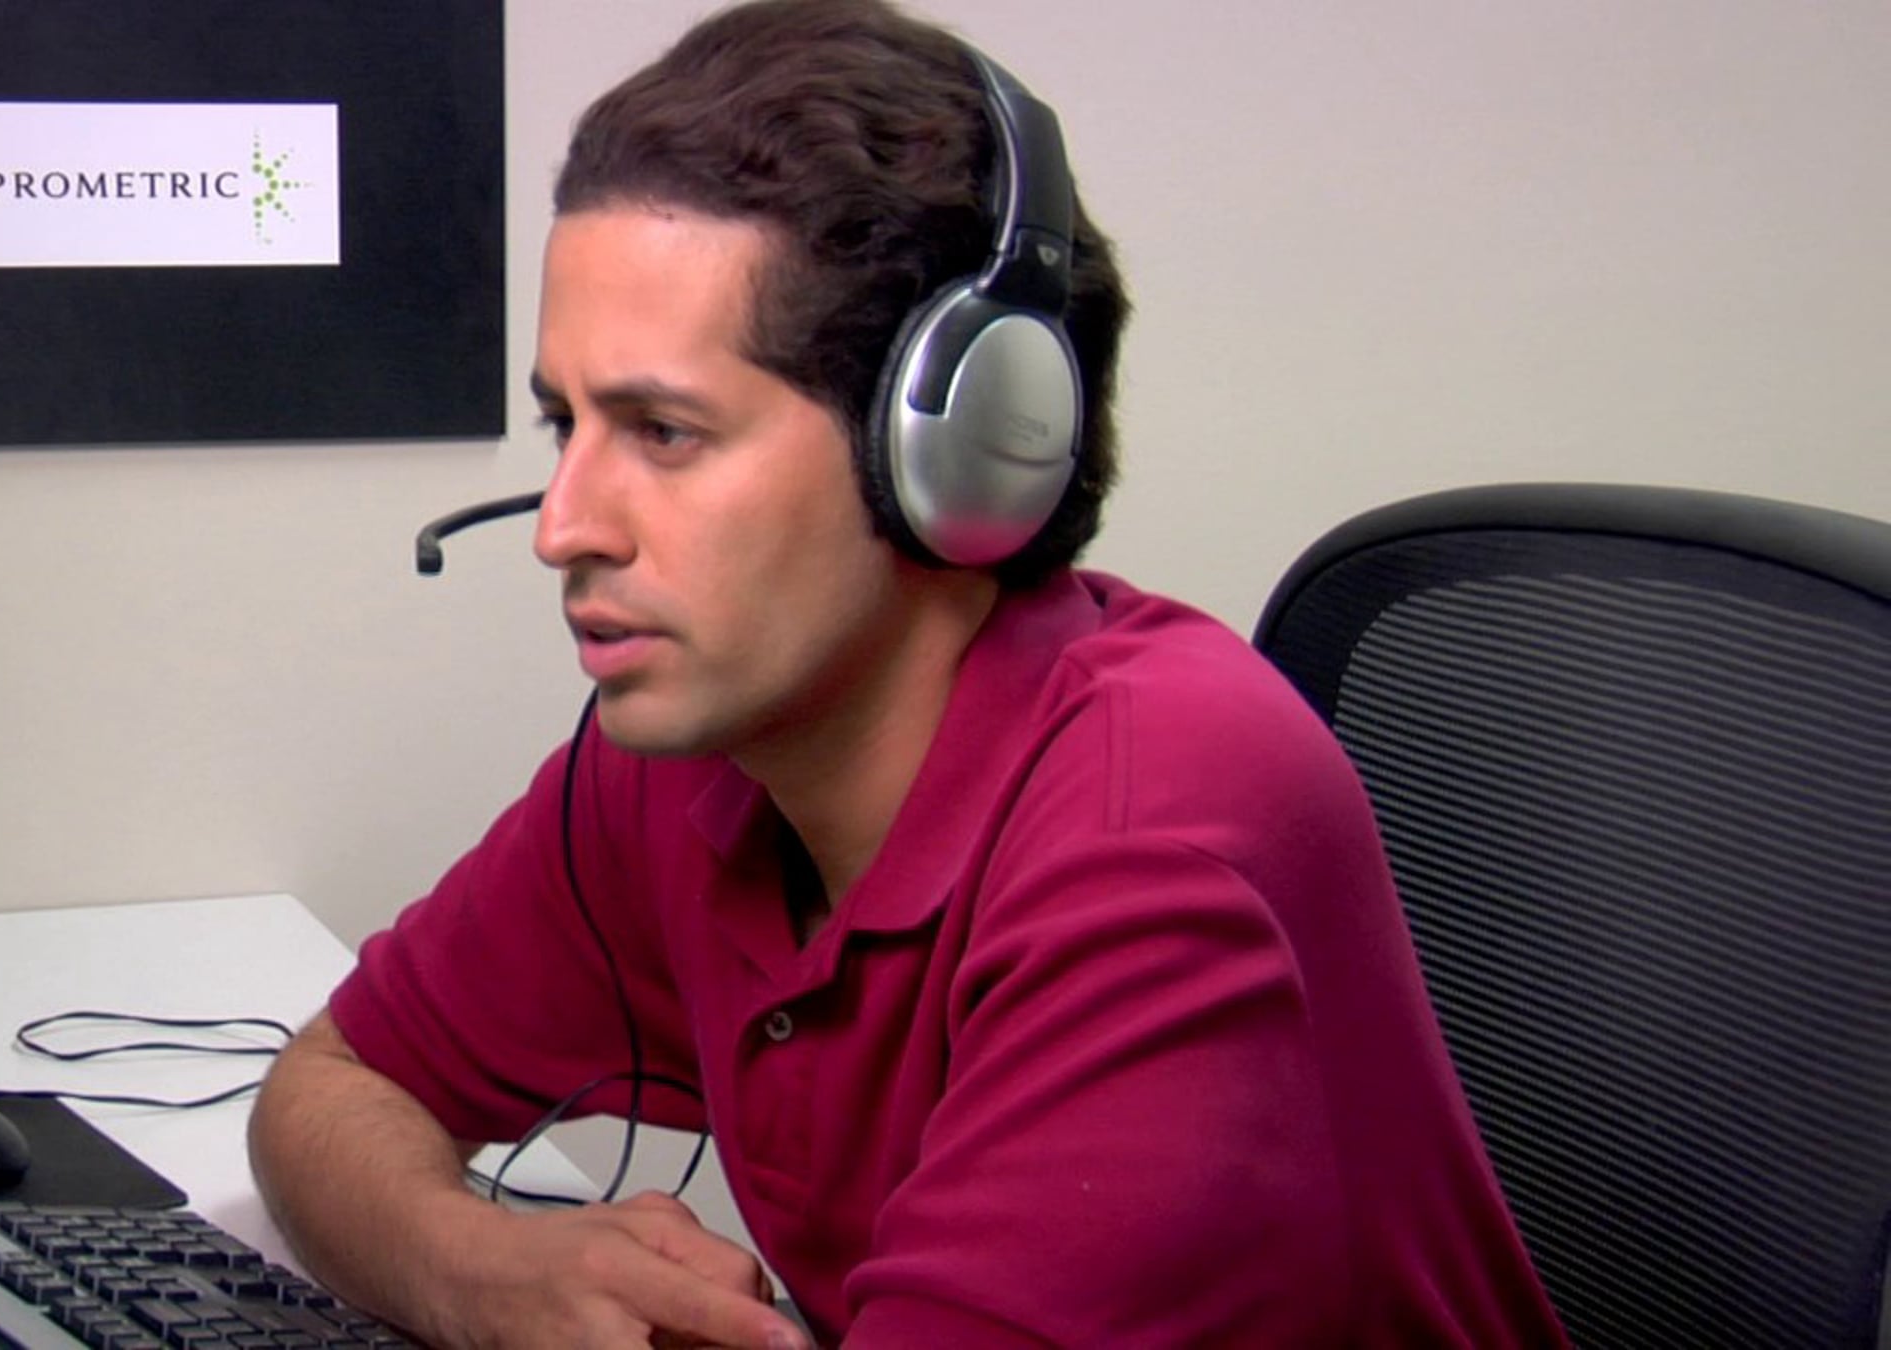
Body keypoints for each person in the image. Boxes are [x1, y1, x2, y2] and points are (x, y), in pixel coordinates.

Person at [249, 0, 1566, 1344]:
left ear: (959, 445)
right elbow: (333, 1086)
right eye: (565, 424)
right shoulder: (703, 752)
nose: (562, 526)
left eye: (663, 431)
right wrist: (481, 1269)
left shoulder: (1149, 843)